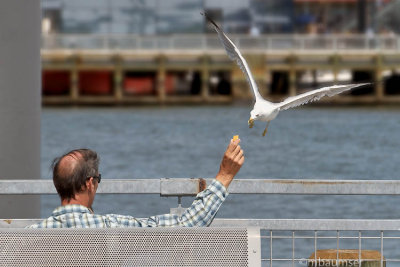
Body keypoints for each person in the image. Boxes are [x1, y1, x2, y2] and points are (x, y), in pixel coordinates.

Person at [28, 138, 244, 228]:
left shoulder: (27, 237)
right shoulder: (110, 227)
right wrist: (224, 176)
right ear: (89, 183)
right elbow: (186, 226)